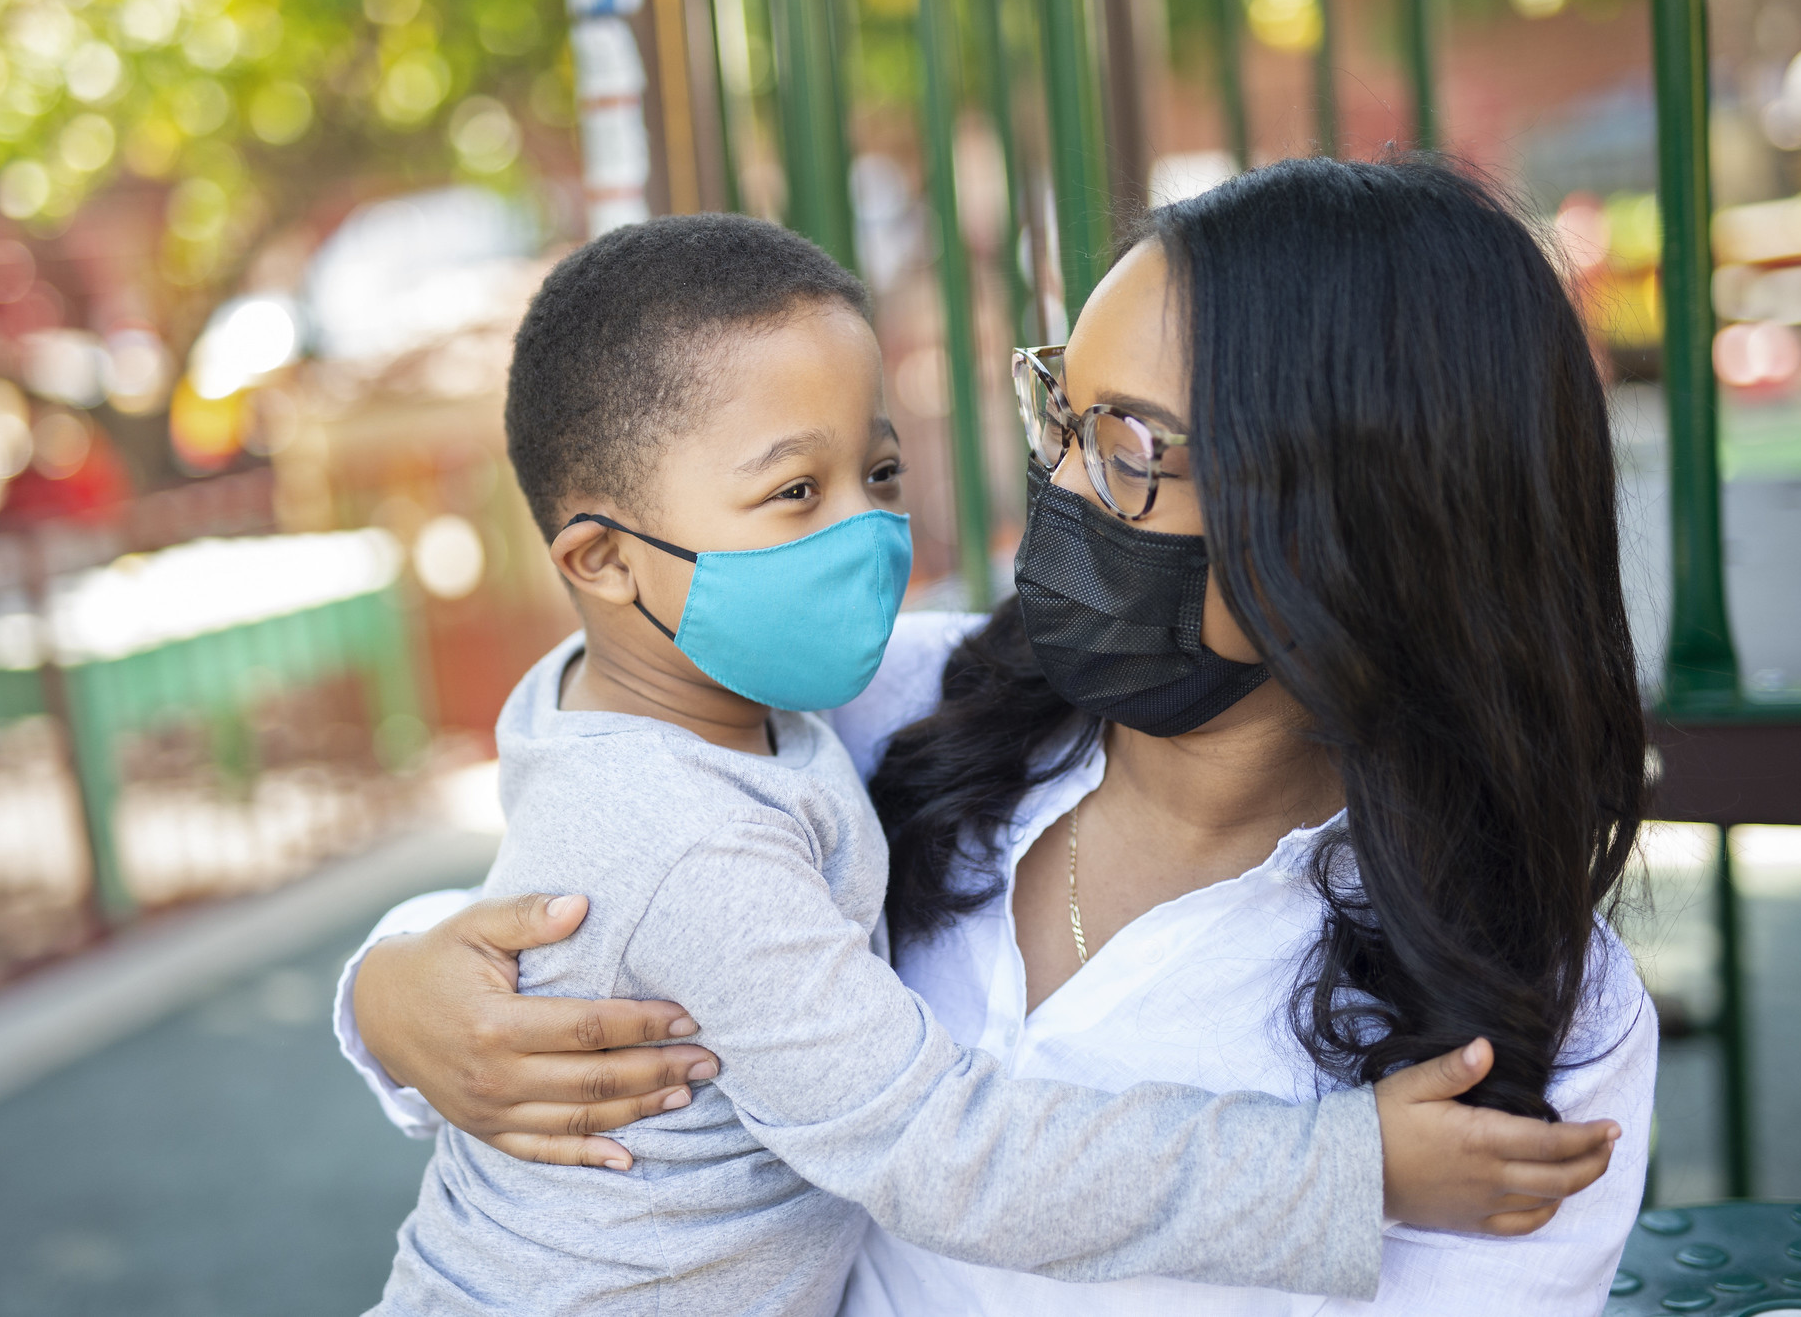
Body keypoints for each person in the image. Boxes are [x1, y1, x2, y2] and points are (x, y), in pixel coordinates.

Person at [343, 162, 1651, 1315]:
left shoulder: (1529, 1017)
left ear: (1360, 514)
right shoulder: (890, 701)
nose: (1062, 495)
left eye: (1130, 443)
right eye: (1062, 418)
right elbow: (605, 885)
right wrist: (392, 990)